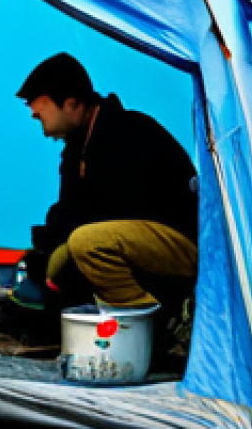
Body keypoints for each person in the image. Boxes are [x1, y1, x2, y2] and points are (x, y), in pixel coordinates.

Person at [12, 53, 198, 350]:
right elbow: (70, 211)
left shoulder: (130, 135)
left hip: (180, 244)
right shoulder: (78, 148)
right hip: (132, 242)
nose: (42, 127)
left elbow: (116, 212)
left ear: (71, 103)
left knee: (85, 243)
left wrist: (61, 248)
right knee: (63, 254)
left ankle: (158, 329)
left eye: (41, 116)